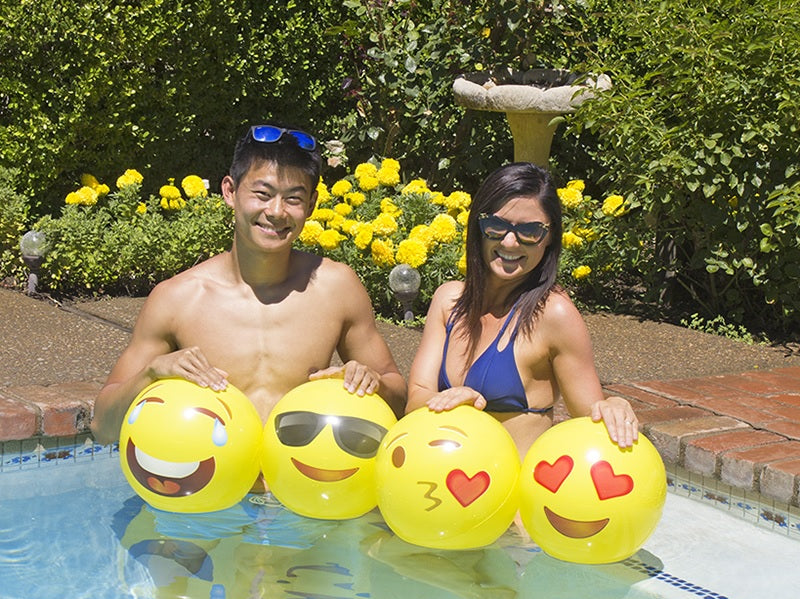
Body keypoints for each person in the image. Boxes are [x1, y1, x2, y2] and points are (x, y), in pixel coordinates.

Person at [91, 122, 406, 448]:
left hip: (301, 492)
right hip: (210, 493)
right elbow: (103, 427)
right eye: (262, 194)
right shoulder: (178, 299)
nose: (276, 212)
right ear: (230, 191)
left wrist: (375, 384)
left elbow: (399, 399)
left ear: (311, 205)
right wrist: (152, 374)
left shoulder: (336, 288)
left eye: (293, 199)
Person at [406, 162, 637, 460]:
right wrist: (454, 400)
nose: (510, 241)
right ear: (479, 226)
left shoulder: (554, 315)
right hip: (438, 493)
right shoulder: (448, 302)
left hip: (512, 501)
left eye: (530, 231)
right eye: (496, 226)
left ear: (550, 236)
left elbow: (590, 422)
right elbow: (415, 400)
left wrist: (614, 405)